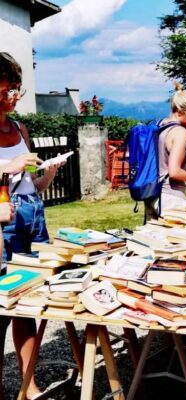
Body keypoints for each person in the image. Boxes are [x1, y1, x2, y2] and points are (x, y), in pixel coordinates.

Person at [0, 51, 65, 399]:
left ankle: (29, 385)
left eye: (15, 90)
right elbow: (7, 177)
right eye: (6, 90)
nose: (12, 97)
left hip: (32, 218)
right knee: (0, 309)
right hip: (2, 226)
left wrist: (45, 177)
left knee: (30, 302)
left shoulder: (19, 127)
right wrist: (6, 168)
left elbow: (25, 186)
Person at [144, 84, 186, 220]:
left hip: (151, 195)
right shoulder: (180, 133)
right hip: (170, 197)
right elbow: (174, 172)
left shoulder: (160, 125)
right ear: (179, 111)